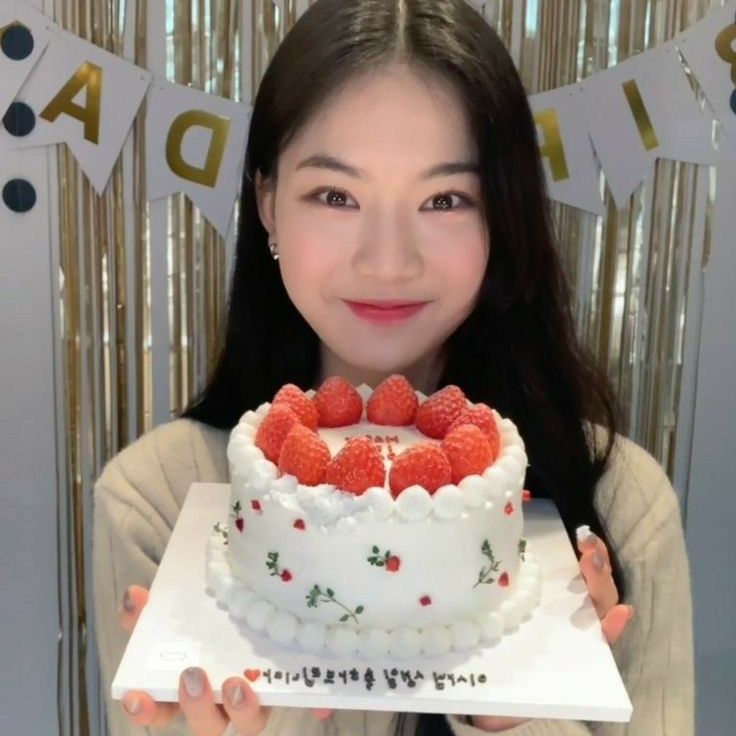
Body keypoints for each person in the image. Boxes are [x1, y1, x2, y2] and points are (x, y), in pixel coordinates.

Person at [92, 0, 694, 734]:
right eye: (335, 195)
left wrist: (515, 715)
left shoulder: (622, 507)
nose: (388, 260)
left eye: (444, 198)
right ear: (268, 204)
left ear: (502, 217)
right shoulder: (156, 503)